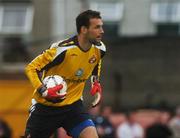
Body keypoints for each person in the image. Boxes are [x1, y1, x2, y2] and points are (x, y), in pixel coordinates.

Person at [24, 9, 106, 138]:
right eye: (97, 27)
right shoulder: (62, 50)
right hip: (46, 108)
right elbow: (31, 68)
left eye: (101, 27)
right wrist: (44, 91)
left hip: (73, 107)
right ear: (84, 29)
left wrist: (95, 82)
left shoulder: (100, 49)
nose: (102, 31)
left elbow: (96, 62)